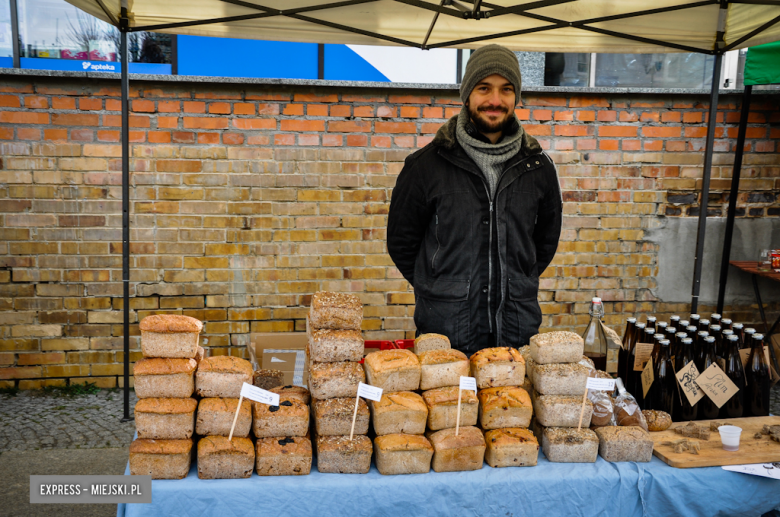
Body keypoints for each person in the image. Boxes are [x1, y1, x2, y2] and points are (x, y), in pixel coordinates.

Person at [387, 44, 562, 356]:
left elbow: (544, 245)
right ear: (466, 94)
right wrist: (439, 288)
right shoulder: (426, 166)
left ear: (516, 97)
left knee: (514, 406)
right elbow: (402, 244)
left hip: (516, 333)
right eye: (484, 88)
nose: (495, 100)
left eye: (506, 90)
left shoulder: (539, 167)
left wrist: (515, 283)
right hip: (447, 337)